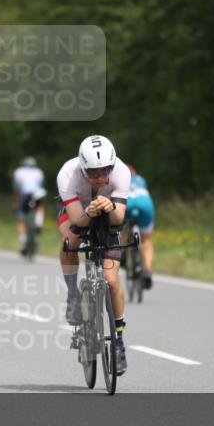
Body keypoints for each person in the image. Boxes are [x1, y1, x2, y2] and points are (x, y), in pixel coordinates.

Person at [56, 136, 131, 374]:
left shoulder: (121, 172)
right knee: (71, 241)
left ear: (112, 165)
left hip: (107, 211)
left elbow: (119, 219)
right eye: (93, 173)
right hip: (78, 209)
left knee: (111, 281)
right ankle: (72, 295)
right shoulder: (68, 174)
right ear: (82, 167)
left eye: (104, 171)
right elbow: (77, 223)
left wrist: (110, 208)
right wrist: (89, 211)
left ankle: (118, 342)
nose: (100, 177)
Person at [125, 165, 156, 289]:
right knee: (146, 240)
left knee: (117, 228)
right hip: (145, 203)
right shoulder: (141, 179)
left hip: (128, 202)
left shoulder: (117, 177)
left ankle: (120, 255)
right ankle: (148, 269)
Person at [13, 157, 46, 255]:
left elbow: (16, 189)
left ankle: (23, 242)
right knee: (40, 207)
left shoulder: (18, 172)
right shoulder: (39, 172)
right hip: (37, 194)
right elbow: (42, 186)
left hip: (25, 195)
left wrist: (15, 202)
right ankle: (39, 222)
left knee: (22, 219)